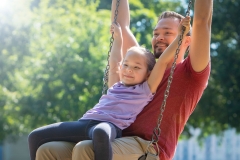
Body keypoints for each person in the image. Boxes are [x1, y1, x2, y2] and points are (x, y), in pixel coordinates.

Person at [34, 0, 213, 159]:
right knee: (48, 150)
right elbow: (121, 25)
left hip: (149, 149)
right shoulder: (142, 67)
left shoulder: (191, 72)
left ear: (186, 40)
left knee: (86, 149)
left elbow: (202, 20)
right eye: (156, 33)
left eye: (167, 33)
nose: (159, 37)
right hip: (115, 138)